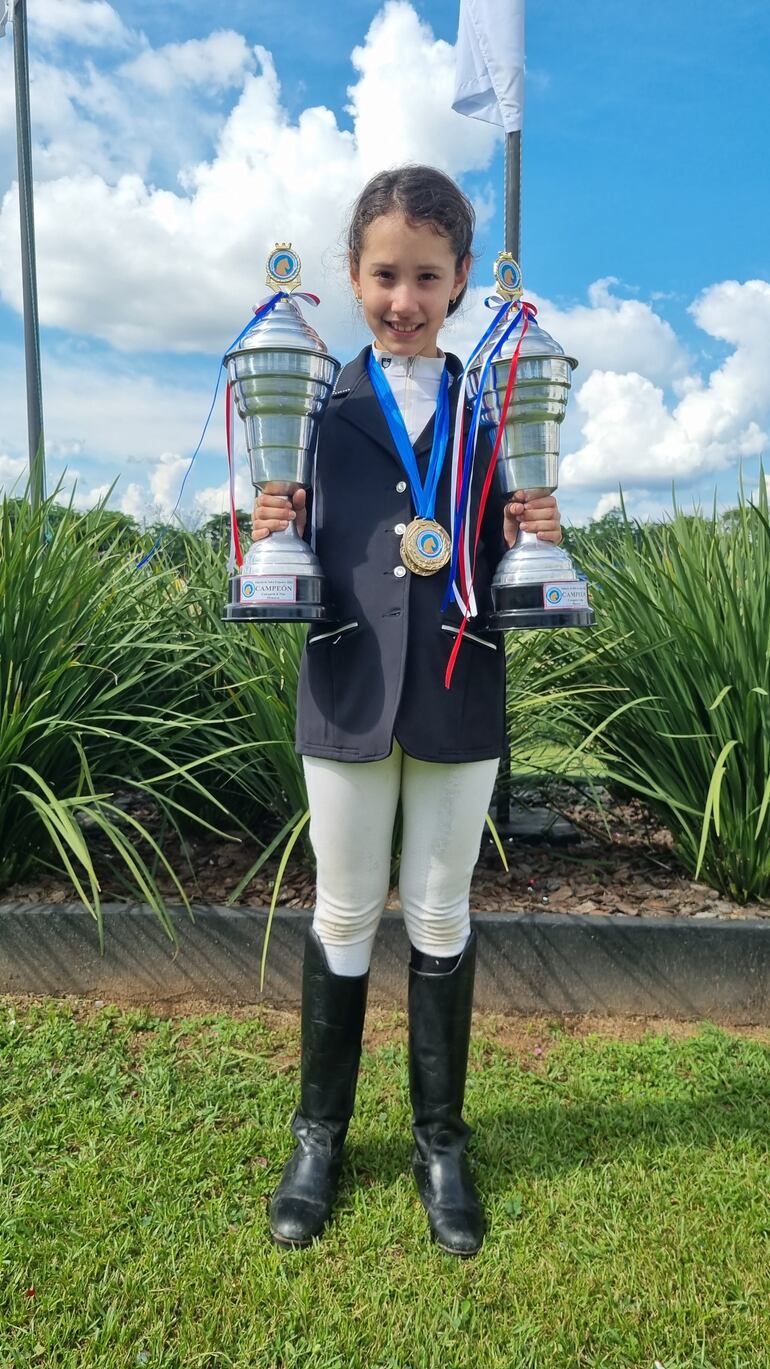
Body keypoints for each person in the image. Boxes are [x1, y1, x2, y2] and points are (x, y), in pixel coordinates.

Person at [251, 165, 562, 1258]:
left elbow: (497, 550)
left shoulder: (496, 402)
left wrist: (534, 527)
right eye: (384, 275)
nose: (403, 298)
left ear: (461, 281)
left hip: (454, 684)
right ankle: (317, 1136)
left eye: (426, 277)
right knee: (342, 913)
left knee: (438, 915)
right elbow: (282, 540)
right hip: (343, 690)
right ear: (351, 276)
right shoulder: (311, 400)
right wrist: (264, 518)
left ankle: (440, 1140)